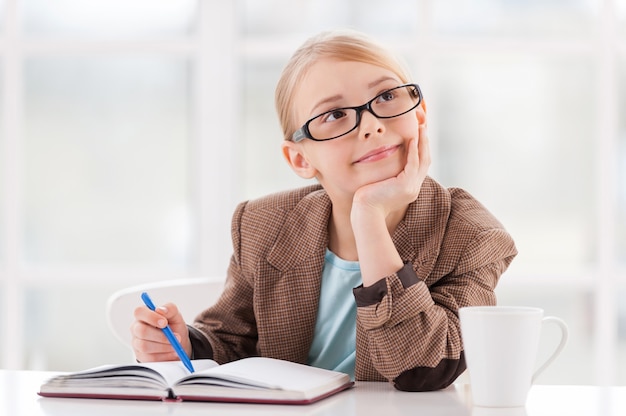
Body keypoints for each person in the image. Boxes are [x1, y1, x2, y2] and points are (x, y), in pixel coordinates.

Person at [131, 29, 517, 392]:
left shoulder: (472, 234)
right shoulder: (263, 225)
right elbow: (232, 342)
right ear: (300, 159)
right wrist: (186, 343)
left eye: (386, 97)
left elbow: (423, 370)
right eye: (334, 115)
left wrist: (368, 215)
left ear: (419, 114)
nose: (371, 126)